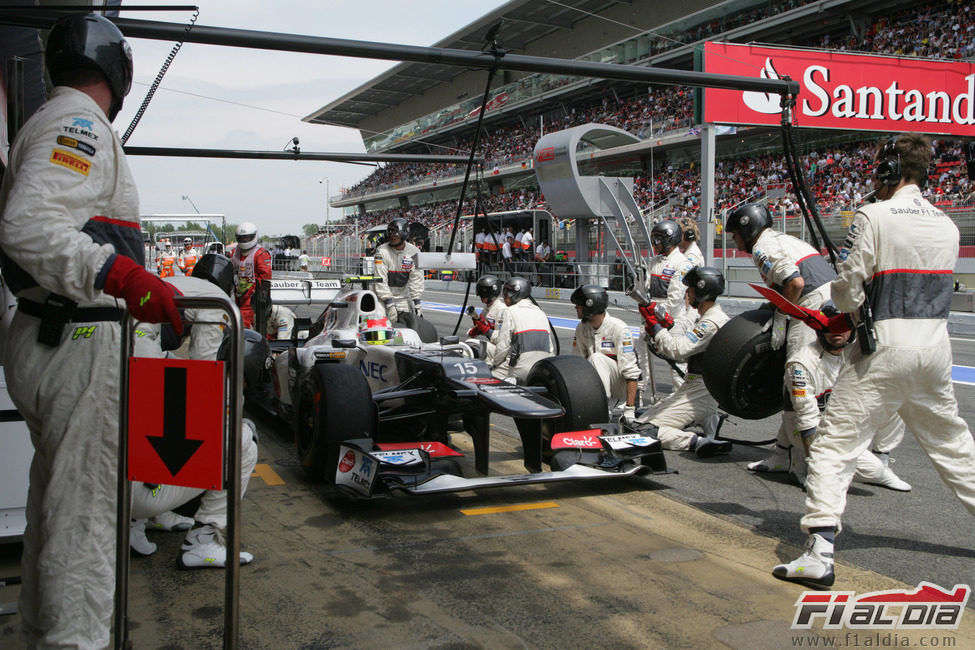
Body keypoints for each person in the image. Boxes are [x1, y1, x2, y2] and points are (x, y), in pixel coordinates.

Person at [0, 14, 183, 647]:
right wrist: (122, 275)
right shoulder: (79, 124)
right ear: (118, 71)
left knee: (55, 514)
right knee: (85, 520)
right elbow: (27, 225)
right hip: (75, 338)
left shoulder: (48, 121)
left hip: (53, 334)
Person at [773, 133, 975, 589]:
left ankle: (820, 551)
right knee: (954, 447)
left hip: (882, 349)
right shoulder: (948, 224)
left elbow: (848, 287)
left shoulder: (873, 215)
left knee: (833, 446)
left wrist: (841, 313)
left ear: (888, 170)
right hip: (935, 350)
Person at [129, 254, 258, 568]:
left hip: (102, 479)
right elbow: (206, 375)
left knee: (147, 409)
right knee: (242, 438)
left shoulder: (164, 284)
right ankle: (203, 540)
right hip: (133, 492)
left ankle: (140, 521)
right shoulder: (215, 302)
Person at [747, 308, 911, 492]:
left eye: (843, 326)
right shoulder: (800, 364)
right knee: (868, 470)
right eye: (830, 327)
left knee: (895, 400)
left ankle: (882, 458)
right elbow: (805, 416)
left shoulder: (856, 354)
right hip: (808, 427)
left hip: (840, 422)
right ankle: (800, 459)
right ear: (819, 329)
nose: (837, 332)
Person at [724, 201, 835, 369]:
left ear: (747, 229)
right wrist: (774, 305)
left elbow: (795, 283)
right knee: (825, 365)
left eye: (735, 233)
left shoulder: (761, 248)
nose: (733, 238)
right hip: (833, 300)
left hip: (812, 302)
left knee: (799, 367)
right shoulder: (784, 238)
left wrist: (780, 318)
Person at [635, 266, 732, 457]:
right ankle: (710, 420)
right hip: (698, 386)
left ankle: (698, 441)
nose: (687, 293)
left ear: (702, 291)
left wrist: (656, 328)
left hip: (701, 390)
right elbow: (682, 349)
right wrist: (660, 331)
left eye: (691, 289)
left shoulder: (710, 323)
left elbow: (677, 350)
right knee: (641, 417)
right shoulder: (707, 317)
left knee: (644, 430)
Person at [571, 285, 639, 424]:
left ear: (591, 305)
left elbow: (631, 372)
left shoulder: (619, 328)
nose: (576, 308)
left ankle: (603, 407)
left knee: (597, 358)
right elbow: (576, 363)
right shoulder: (582, 328)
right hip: (596, 386)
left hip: (621, 388)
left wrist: (630, 409)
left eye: (579, 305)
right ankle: (595, 404)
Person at [639, 219, 693, 394]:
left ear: (670, 239)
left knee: (676, 363)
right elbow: (646, 288)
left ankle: (682, 400)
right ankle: (642, 392)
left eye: (658, 239)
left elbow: (675, 297)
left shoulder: (682, 263)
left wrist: (658, 317)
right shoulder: (654, 261)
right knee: (641, 358)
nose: (655, 243)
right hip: (651, 319)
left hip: (673, 321)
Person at [489, 276, 555, 383]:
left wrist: (495, 364)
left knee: (489, 378)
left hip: (520, 371)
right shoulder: (541, 312)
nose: (505, 297)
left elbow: (503, 346)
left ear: (516, 294)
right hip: (542, 369)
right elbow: (551, 348)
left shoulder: (510, 312)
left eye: (507, 293)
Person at [374, 217, 424, 323]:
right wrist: (389, 303)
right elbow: (380, 279)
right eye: (390, 232)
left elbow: (417, 279)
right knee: (378, 319)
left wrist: (417, 302)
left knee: (410, 322)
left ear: (404, 233)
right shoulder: (381, 251)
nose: (392, 235)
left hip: (402, 296)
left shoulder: (415, 252)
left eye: (395, 232)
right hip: (382, 298)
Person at [230, 221, 272, 329]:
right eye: (242, 238)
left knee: (244, 323)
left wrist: (253, 291)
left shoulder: (260, 254)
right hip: (237, 294)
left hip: (252, 297)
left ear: (254, 236)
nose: (244, 240)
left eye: (247, 238)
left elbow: (265, 277)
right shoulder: (234, 252)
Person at [466, 274, 508, 360]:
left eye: (483, 295)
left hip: (503, 351)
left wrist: (484, 328)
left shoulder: (502, 310)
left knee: (471, 345)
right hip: (495, 348)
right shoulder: (486, 309)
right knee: (468, 344)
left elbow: (501, 340)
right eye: (480, 295)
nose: (481, 297)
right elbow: (471, 333)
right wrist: (476, 328)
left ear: (491, 294)